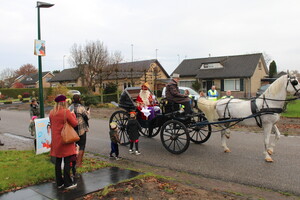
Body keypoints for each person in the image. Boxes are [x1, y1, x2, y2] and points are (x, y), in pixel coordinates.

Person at [49, 94, 78, 190]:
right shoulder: (66, 112)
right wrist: (73, 114)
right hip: (65, 140)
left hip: (56, 141)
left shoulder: (51, 112)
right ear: (63, 102)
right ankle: (68, 183)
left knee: (57, 162)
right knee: (67, 161)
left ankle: (59, 182)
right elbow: (75, 123)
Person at [69, 94, 90, 167]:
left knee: (73, 145)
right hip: (81, 129)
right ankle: (79, 163)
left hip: (72, 130)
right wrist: (88, 112)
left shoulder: (69, 107)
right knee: (82, 146)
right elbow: (87, 117)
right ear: (79, 99)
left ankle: (73, 161)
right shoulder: (81, 108)